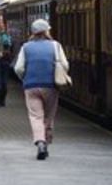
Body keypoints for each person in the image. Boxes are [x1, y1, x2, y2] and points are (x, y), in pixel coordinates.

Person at [14, 19, 70, 160]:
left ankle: (40, 142)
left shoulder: (26, 47)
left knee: (35, 116)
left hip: (31, 86)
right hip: (51, 85)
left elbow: (18, 68)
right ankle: (46, 141)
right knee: (49, 116)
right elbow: (65, 65)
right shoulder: (55, 46)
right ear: (46, 31)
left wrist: (25, 78)